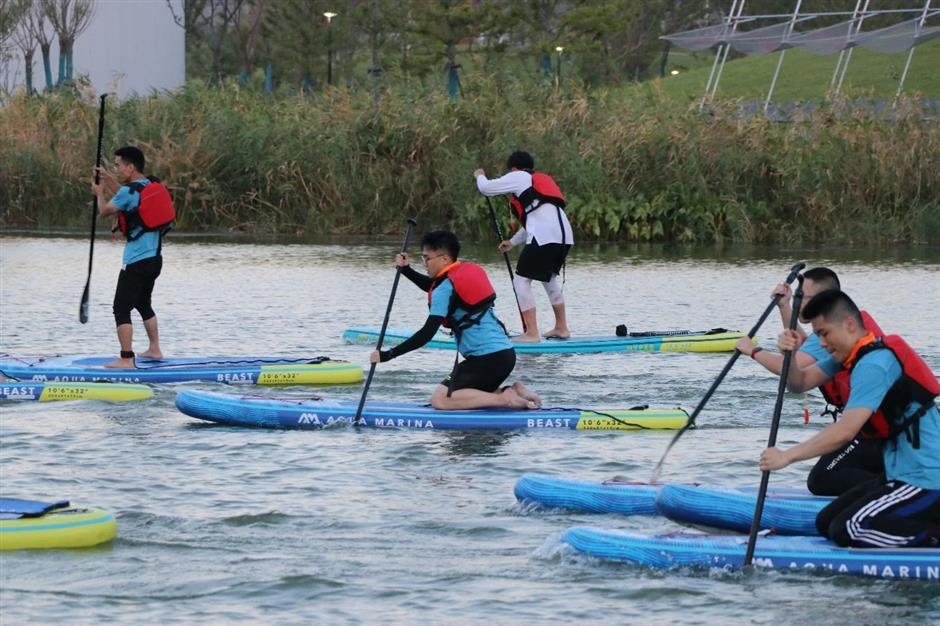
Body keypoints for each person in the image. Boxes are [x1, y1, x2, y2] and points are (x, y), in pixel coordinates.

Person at [760, 289, 940, 548]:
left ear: (850, 325)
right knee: (826, 522)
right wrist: (789, 355)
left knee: (850, 528)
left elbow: (846, 431)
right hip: (900, 473)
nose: (820, 342)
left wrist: (788, 456)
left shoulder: (874, 364)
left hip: (927, 478)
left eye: (824, 333)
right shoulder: (850, 356)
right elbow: (800, 383)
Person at [735, 267, 885, 496]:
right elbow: (801, 367)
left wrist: (753, 351)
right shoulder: (837, 335)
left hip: (879, 431)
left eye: (801, 297)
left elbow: (791, 366)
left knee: (821, 479)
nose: (797, 300)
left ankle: (897, 490)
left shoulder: (842, 340)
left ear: (823, 300)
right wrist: (784, 306)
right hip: (871, 427)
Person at [369, 230, 541, 410]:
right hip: (504, 355)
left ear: (444, 259)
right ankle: (514, 391)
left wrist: (389, 354)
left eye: (427, 258)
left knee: (441, 399)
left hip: (486, 359)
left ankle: (505, 398)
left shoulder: (444, 288)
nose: (425, 263)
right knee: (465, 394)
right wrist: (406, 270)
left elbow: (427, 333)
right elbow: (433, 286)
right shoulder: (457, 274)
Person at [474, 150, 574, 342]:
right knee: (549, 279)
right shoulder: (537, 184)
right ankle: (561, 328)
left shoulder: (519, 176)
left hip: (545, 236)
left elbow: (486, 188)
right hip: (564, 236)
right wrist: (512, 242)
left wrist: (480, 176)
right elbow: (535, 222)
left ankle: (531, 333)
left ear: (513, 168)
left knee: (521, 281)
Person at [91, 146, 174, 369]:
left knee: (121, 307)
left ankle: (126, 358)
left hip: (136, 260)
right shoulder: (148, 185)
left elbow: (105, 210)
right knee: (142, 302)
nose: (115, 169)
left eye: (118, 165)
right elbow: (128, 197)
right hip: (155, 259)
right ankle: (155, 349)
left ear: (130, 167)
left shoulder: (129, 192)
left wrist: (99, 193)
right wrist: (108, 180)